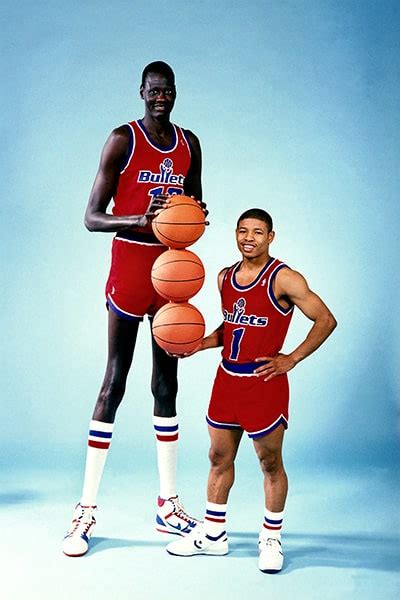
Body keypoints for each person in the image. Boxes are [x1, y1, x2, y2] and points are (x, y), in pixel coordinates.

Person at [62, 61, 205, 557]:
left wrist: (193, 219)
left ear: (175, 92)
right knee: (115, 382)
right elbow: (91, 217)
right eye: (154, 90)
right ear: (142, 91)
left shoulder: (190, 144)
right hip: (130, 265)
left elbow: (195, 205)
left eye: (168, 91)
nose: (161, 97)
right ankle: (85, 509)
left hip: (172, 269)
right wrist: (139, 219)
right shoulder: (122, 139)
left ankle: (168, 504)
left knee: (167, 384)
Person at [166, 208, 337, 573]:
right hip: (227, 380)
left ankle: (271, 538)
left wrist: (292, 358)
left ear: (270, 237)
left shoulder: (285, 278)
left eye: (258, 232)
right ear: (235, 234)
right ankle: (214, 536)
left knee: (269, 462)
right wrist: (198, 343)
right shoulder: (224, 277)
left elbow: (326, 319)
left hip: (263, 383)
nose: (249, 238)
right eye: (243, 231)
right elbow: (231, 327)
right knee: (218, 458)